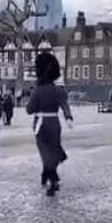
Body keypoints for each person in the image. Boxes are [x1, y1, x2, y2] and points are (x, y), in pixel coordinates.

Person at [27, 52, 73, 196]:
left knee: (45, 152)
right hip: (54, 123)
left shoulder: (37, 91)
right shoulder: (58, 90)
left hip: (40, 124)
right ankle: (48, 173)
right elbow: (65, 105)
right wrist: (68, 118)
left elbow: (30, 109)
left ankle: (52, 179)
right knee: (52, 150)